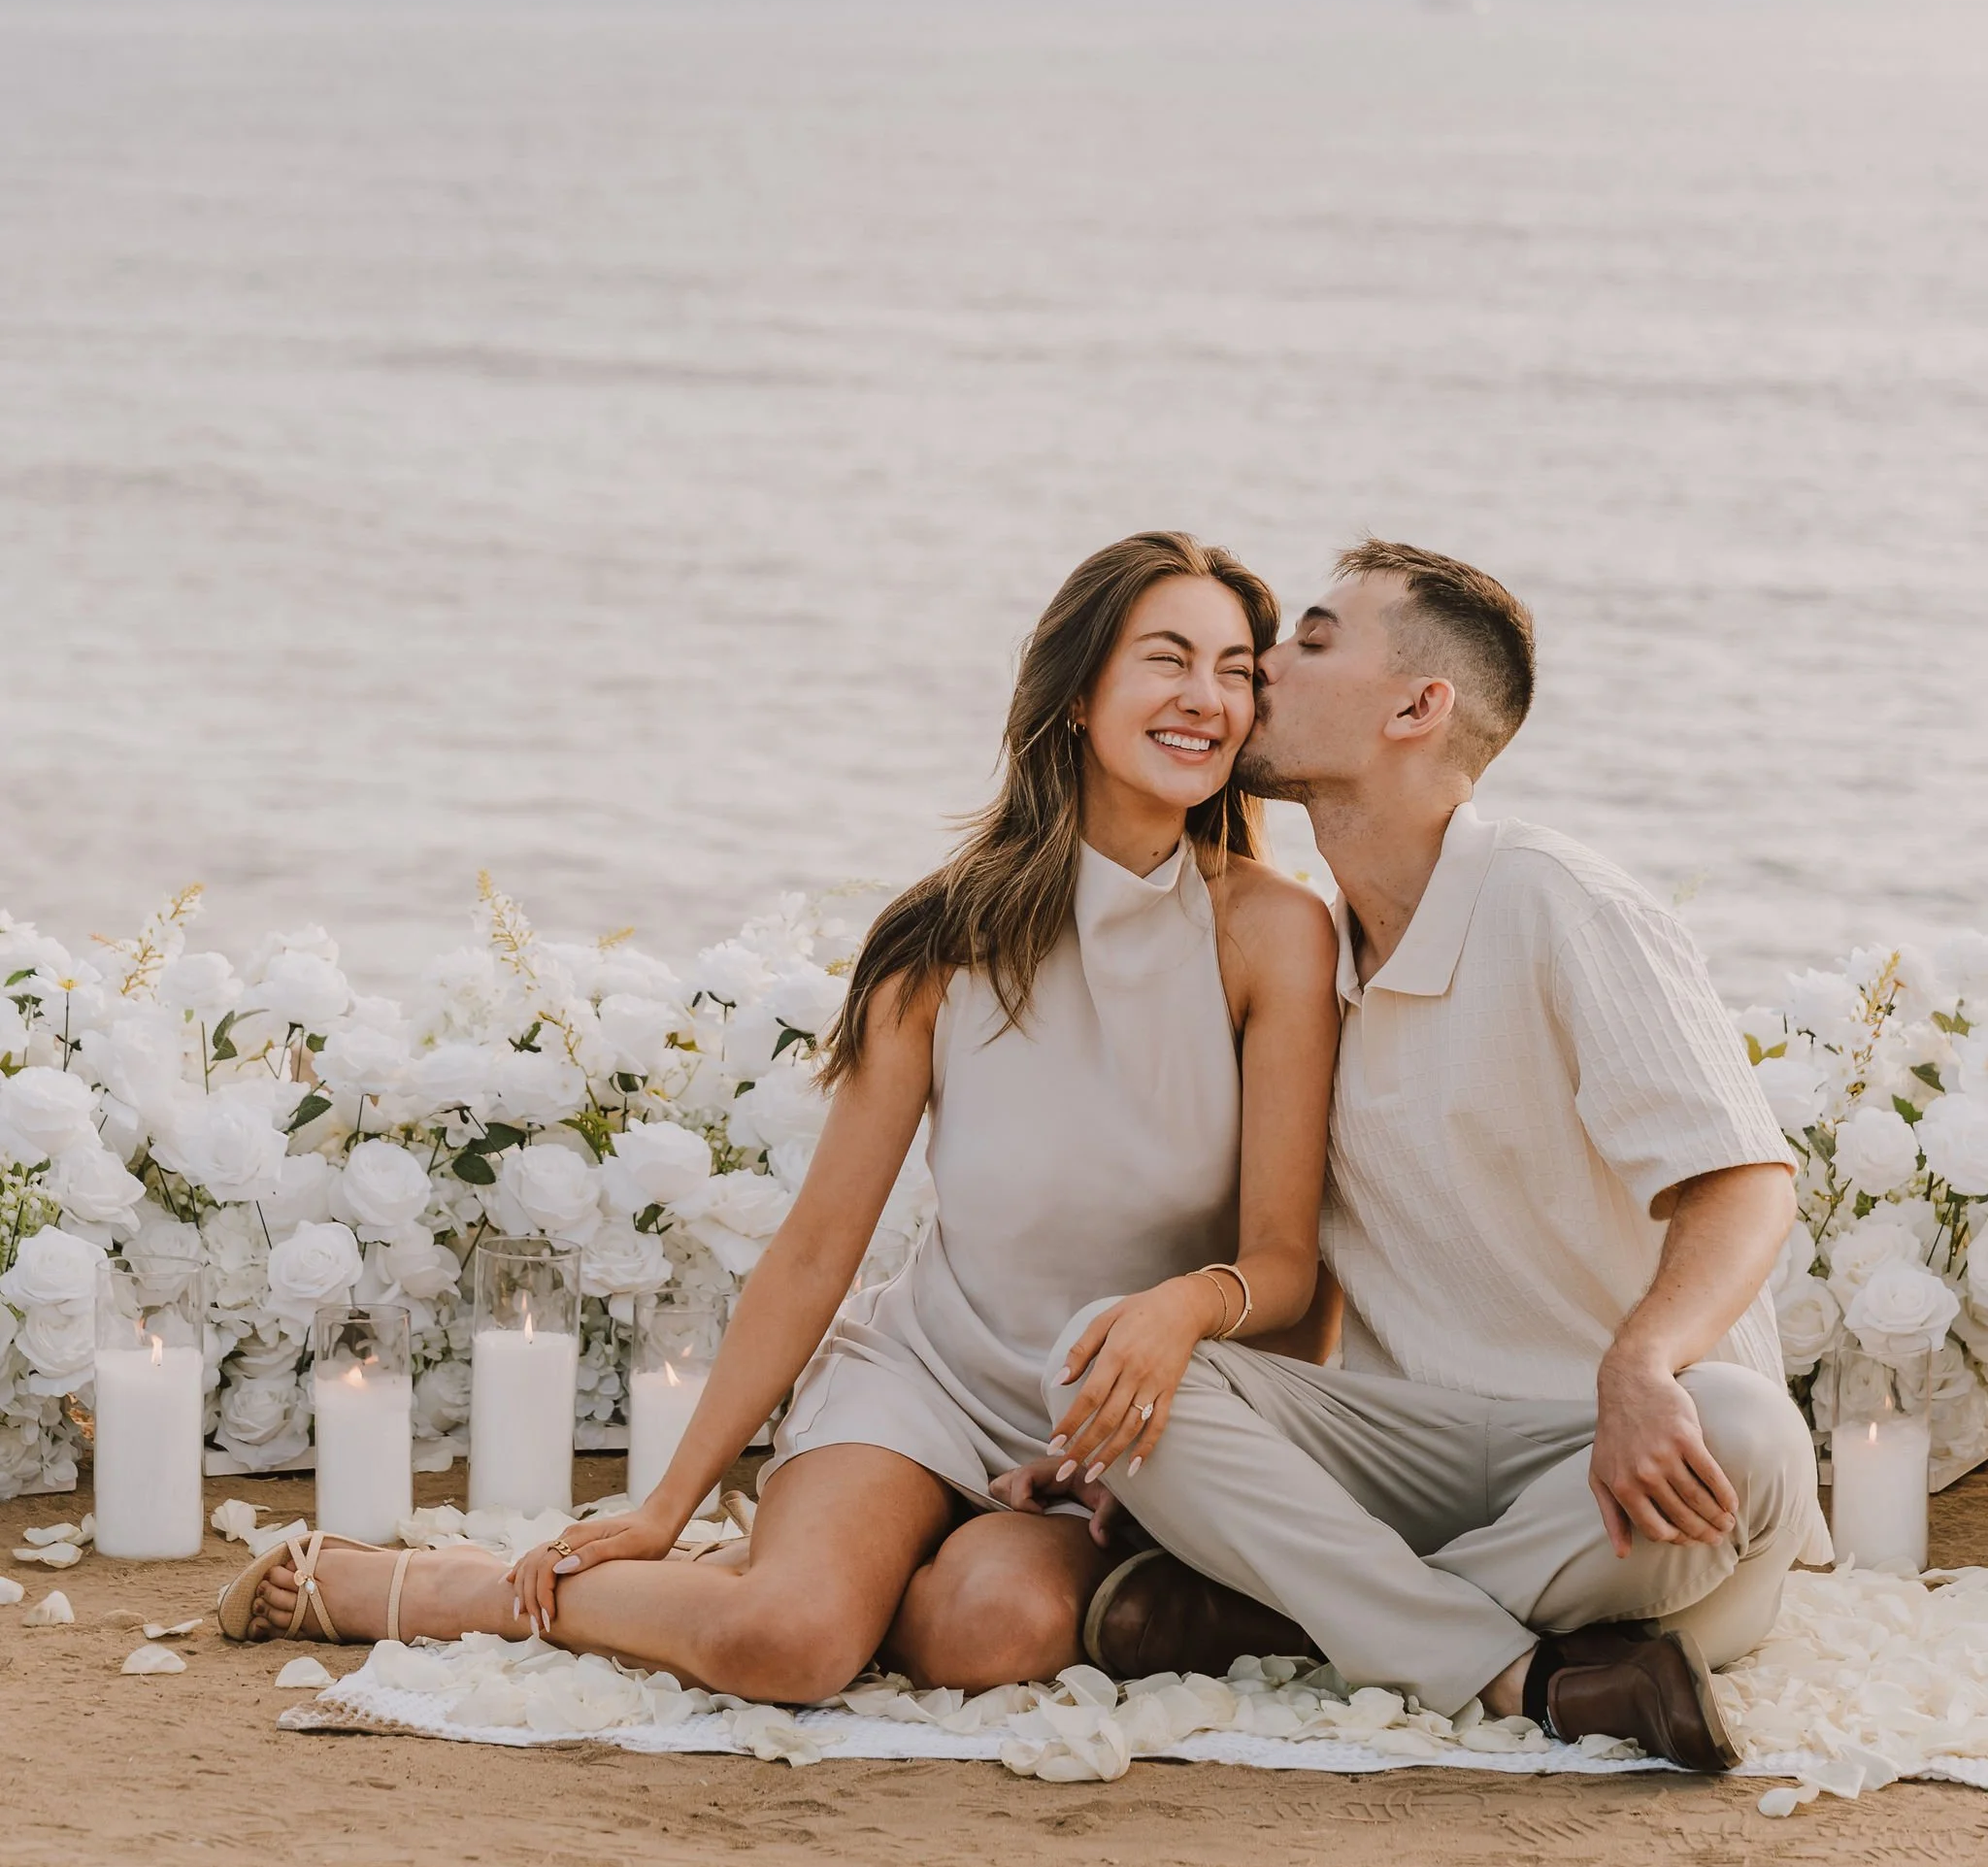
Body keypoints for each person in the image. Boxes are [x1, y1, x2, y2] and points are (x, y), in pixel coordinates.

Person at [219, 529, 1339, 1695]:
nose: (1203, 700)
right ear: (1075, 694)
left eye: (1233, 671)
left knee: (986, 1634)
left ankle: (825, 1572)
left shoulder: (1272, 935)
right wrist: (664, 1504)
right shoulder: (939, 945)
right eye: (1166, 659)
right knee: (789, 1645)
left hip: (1116, 1427)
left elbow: (1285, 1267)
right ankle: (445, 1589)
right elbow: (816, 1248)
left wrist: (1172, 1413)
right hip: (926, 1384)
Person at [1011, 538, 1826, 1772]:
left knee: (1745, 1432)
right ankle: (1518, 1668)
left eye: (1311, 640)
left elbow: (1746, 1181)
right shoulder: (1303, 955)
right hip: (1420, 1449)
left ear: (1416, 706)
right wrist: (1162, 1444)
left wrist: (1641, 1365)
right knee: (1099, 1367)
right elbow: (1305, 1274)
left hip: (1619, 1476)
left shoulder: (1557, 900)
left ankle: (1281, 1613)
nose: (1260, 669)